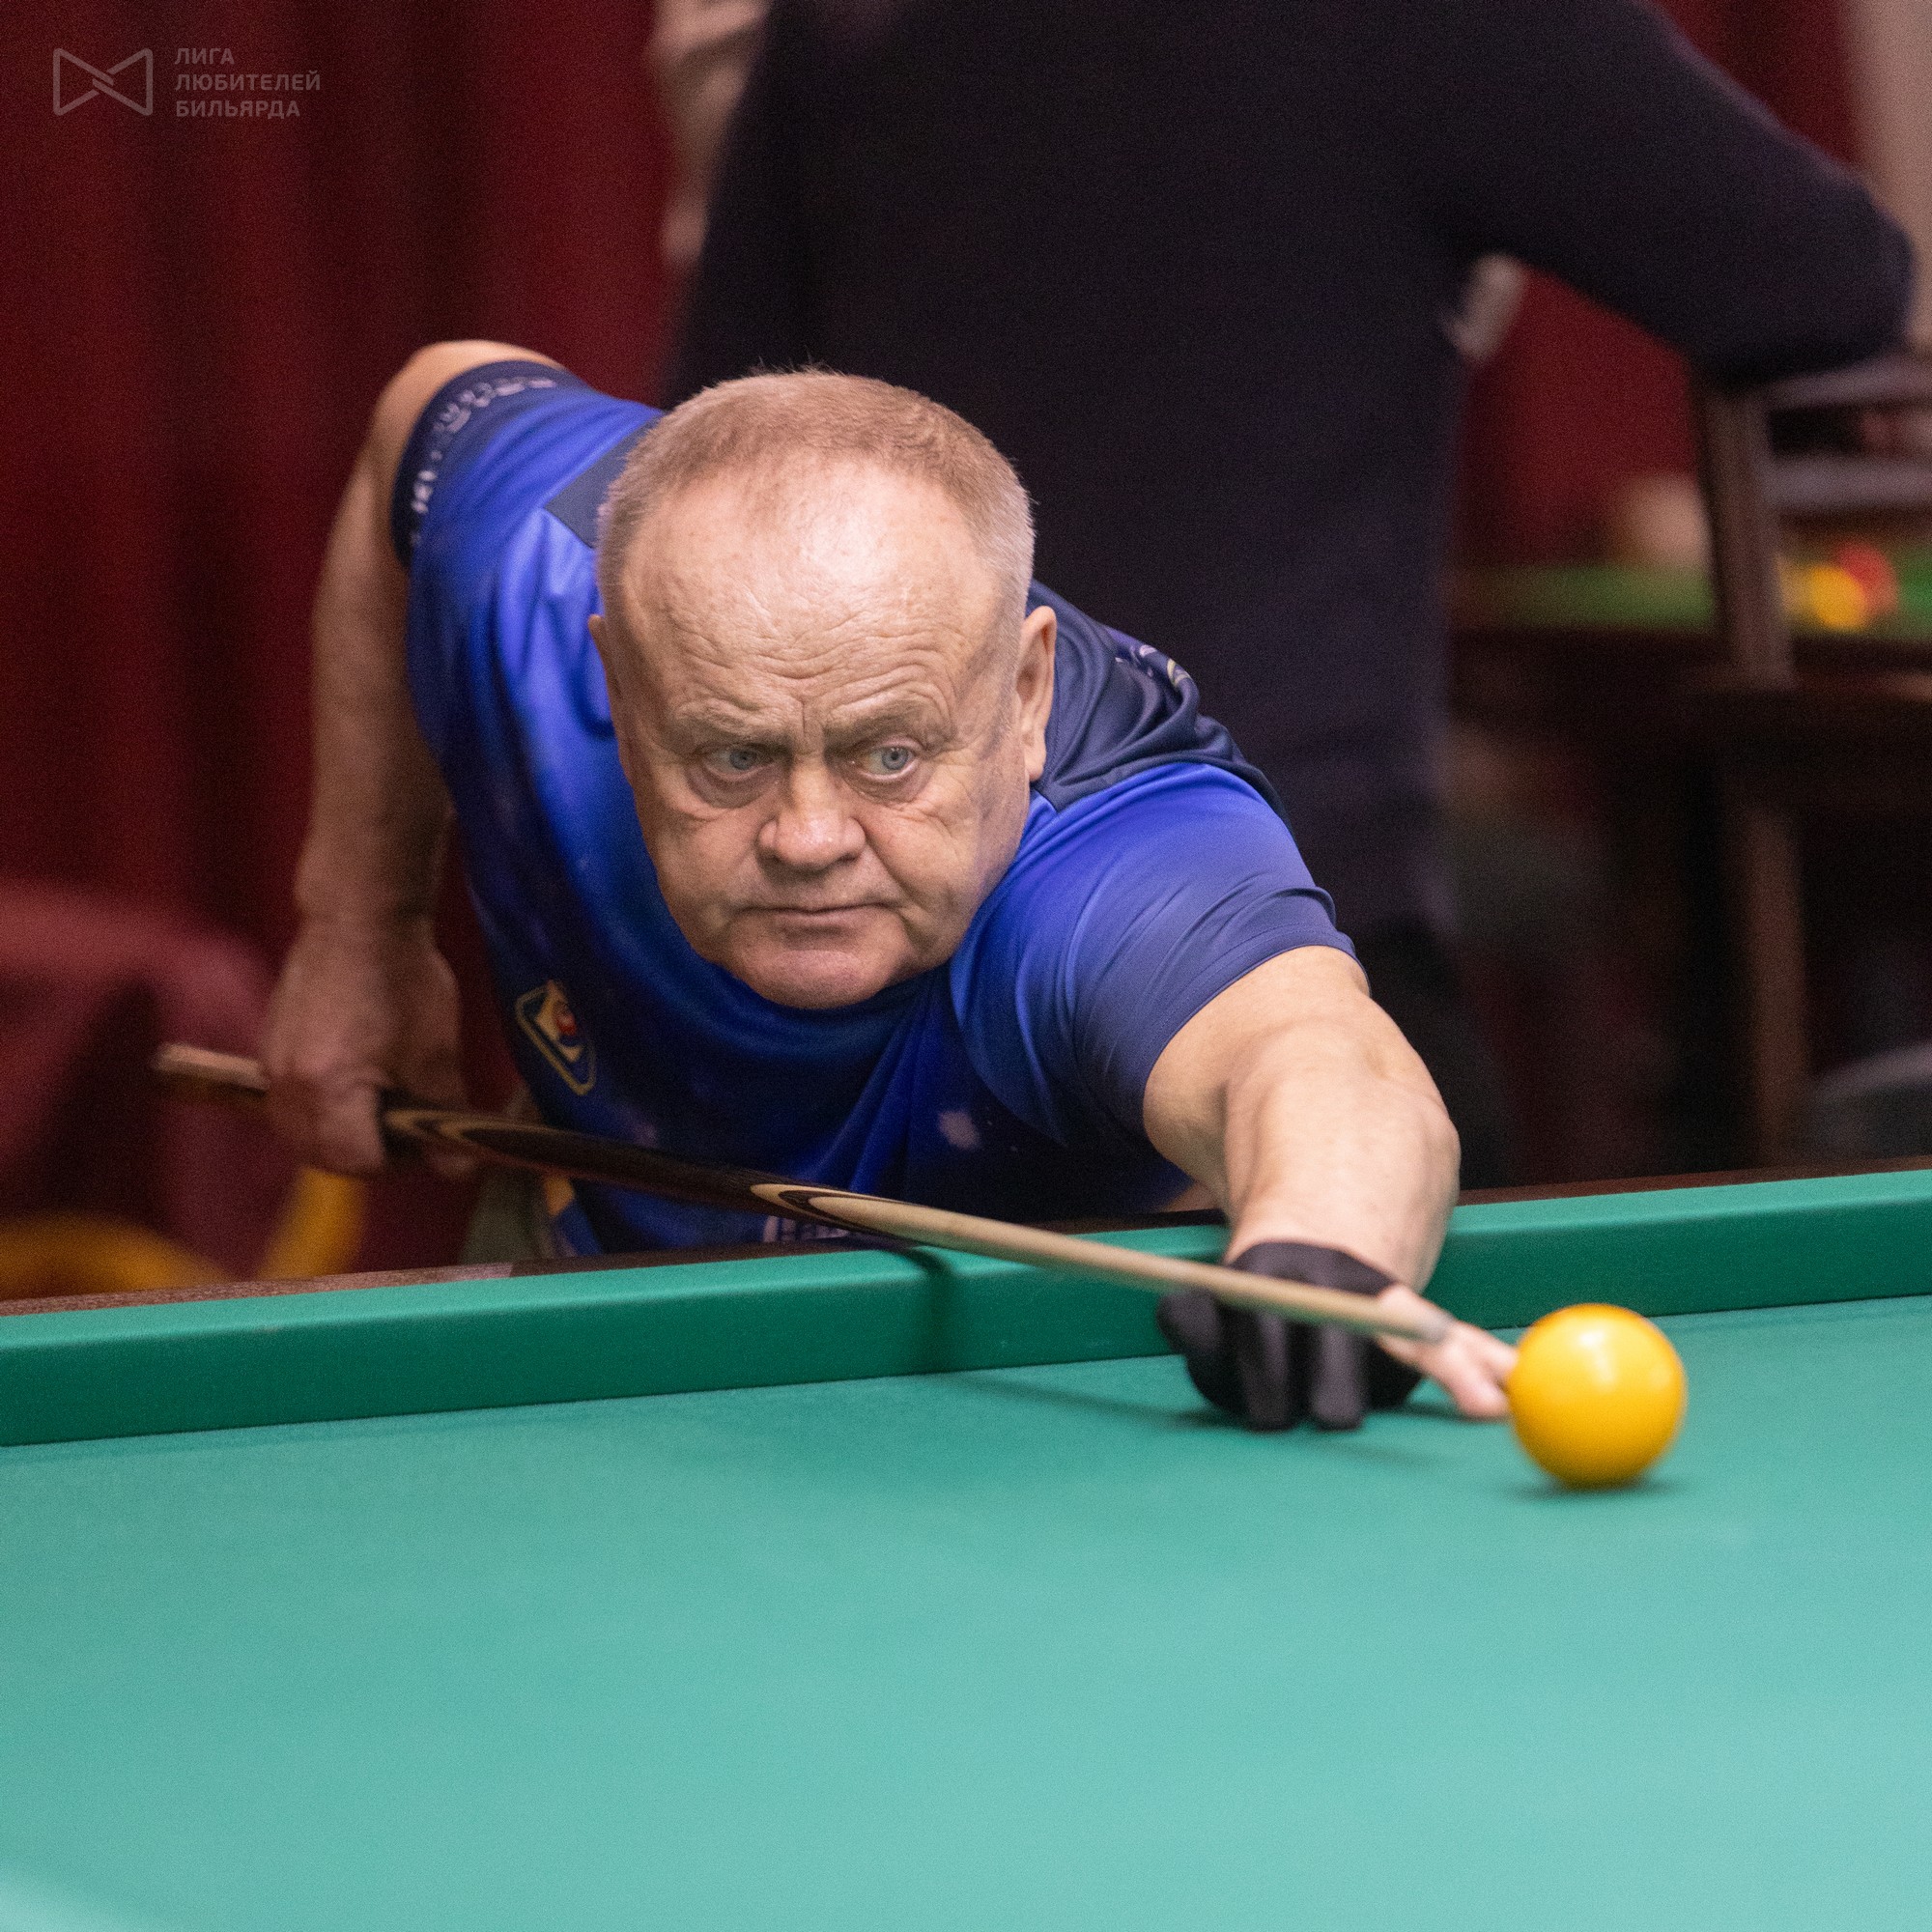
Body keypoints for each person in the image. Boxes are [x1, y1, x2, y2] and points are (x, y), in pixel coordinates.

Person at [666, 0, 1918, 1183]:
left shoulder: (844, 22)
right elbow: (1828, 281)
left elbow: (717, 440)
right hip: (1283, 941)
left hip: (851, 983)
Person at [262, 341, 1516, 1431]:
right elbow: (427, 405)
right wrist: (358, 927)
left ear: (1025, 694)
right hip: (601, 1292)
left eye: (890, 756)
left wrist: (1323, 1251)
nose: (809, 838)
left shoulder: (1112, 854)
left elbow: (1317, 1058)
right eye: (733, 757)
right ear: (620, 678)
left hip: (1032, 1399)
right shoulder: (531, 581)